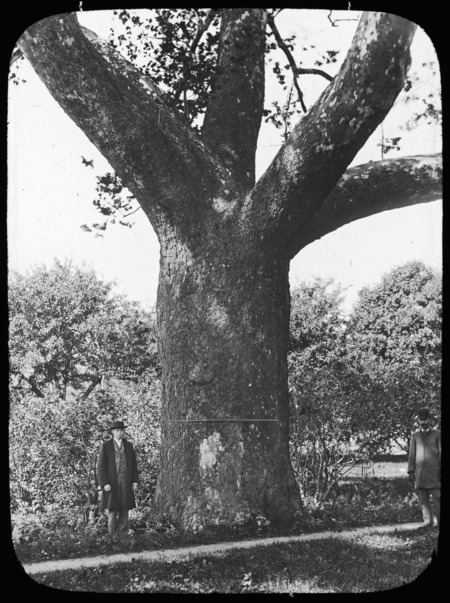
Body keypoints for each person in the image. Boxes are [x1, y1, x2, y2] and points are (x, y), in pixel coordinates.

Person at [97, 420, 139, 538]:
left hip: (126, 480)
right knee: (112, 511)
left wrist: (135, 481)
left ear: (123, 432)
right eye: (117, 430)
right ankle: (112, 538)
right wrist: (104, 483)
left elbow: (134, 465)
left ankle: (123, 537)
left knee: (124, 509)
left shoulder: (128, 446)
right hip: (112, 482)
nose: (119, 433)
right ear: (113, 432)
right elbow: (101, 467)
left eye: (121, 430)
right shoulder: (106, 446)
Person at [407, 408, 441, 529]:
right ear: (418, 421)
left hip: (435, 473)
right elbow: (412, 455)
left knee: (437, 497)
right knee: (423, 499)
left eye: (425, 419)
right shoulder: (415, 436)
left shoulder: (437, 434)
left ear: (430, 419)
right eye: (421, 420)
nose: (423, 422)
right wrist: (411, 471)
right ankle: (427, 522)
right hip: (420, 473)